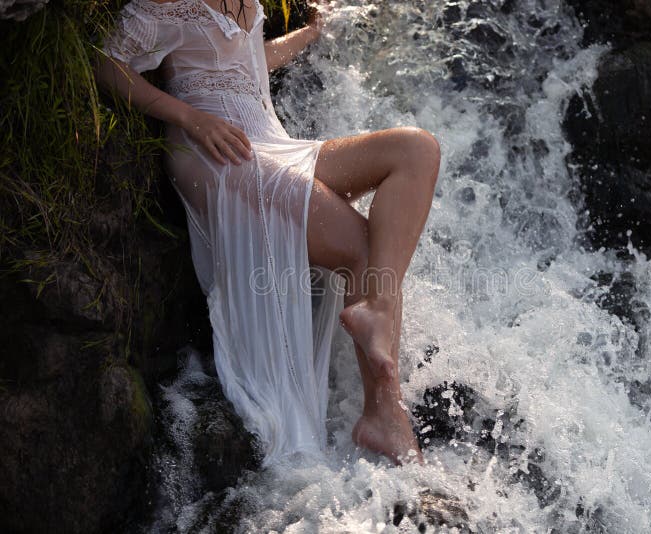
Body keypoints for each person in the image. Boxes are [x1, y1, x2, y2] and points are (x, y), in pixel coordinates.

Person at [95, 0, 440, 465]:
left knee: (416, 149)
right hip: (217, 150)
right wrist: (188, 117)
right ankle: (384, 412)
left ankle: (377, 317)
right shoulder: (169, 4)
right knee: (364, 249)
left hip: (273, 144)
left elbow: (254, 58)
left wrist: (311, 33)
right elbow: (105, 61)